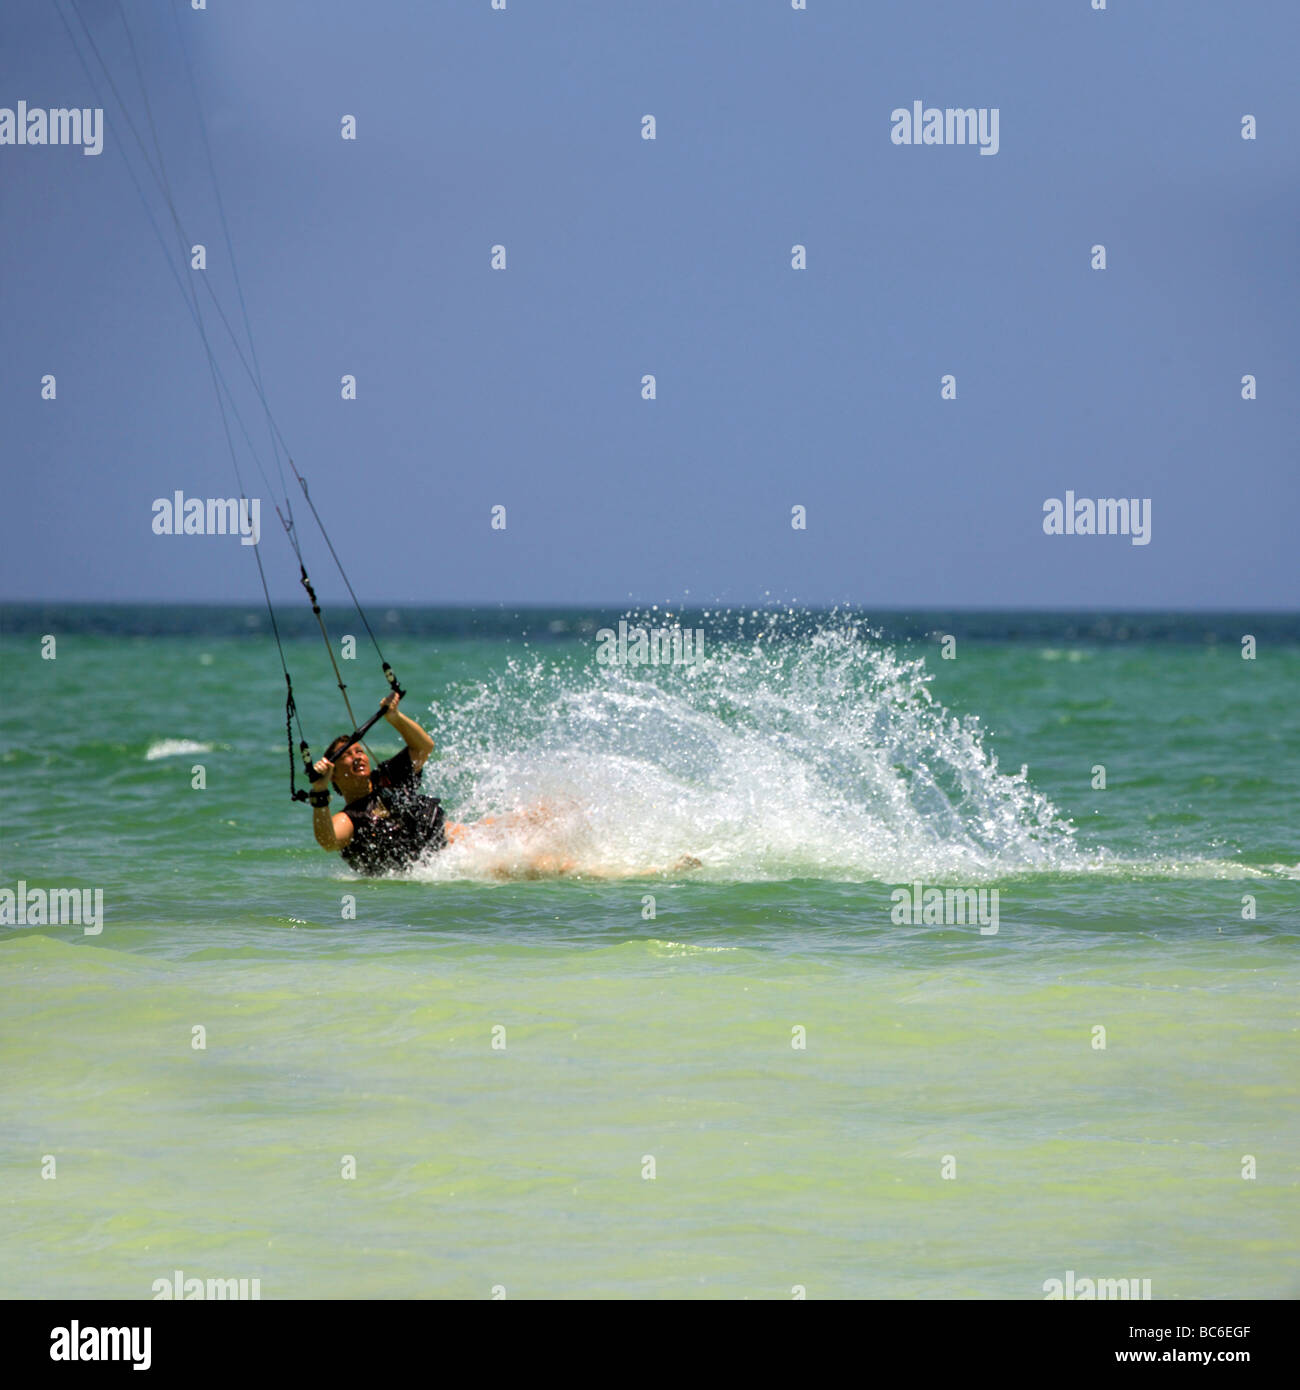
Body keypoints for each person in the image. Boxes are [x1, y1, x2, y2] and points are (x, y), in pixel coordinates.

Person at [308, 691, 454, 875]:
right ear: (333, 775)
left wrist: (395, 717)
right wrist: (319, 790)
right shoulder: (350, 819)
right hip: (440, 868)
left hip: (457, 846)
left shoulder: (388, 777)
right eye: (347, 755)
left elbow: (423, 747)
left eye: (359, 752)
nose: (357, 758)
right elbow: (328, 841)